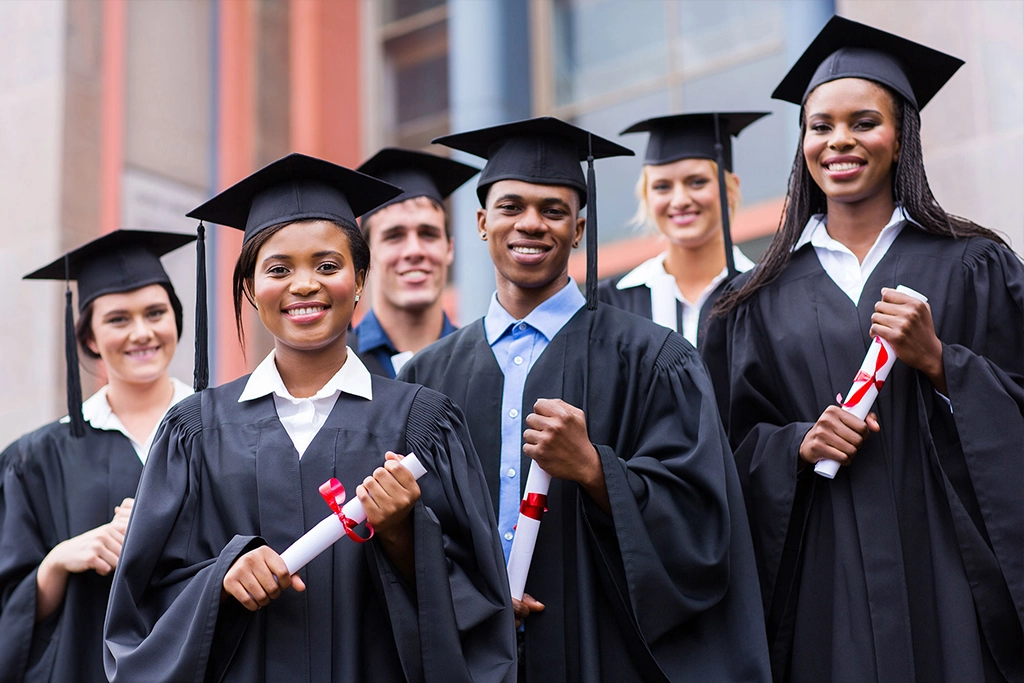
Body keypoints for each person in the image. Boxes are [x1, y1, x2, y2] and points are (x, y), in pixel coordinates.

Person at [102, 153, 516, 683]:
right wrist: (220, 579)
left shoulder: (423, 426)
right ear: (250, 289)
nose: (303, 285)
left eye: (327, 266)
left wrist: (401, 535)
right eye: (278, 269)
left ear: (360, 279)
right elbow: (138, 613)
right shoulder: (194, 432)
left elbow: (483, 611)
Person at [703, 16, 1024, 683]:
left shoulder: (976, 266)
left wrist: (942, 364)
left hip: (951, 576)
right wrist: (794, 444)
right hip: (823, 581)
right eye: (820, 126)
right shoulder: (750, 301)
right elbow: (721, 456)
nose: (839, 141)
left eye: (864, 122)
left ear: (901, 134)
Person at [401, 117, 770, 682]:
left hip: (604, 649)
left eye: (553, 211)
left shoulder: (654, 359)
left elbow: (702, 523)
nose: (531, 223)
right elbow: (420, 529)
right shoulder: (427, 377)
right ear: (480, 223)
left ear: (578, 230)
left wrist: (598, 471)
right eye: (511, 207)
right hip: (473, 657)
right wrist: (477, 600)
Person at [0, 229, 197, 683]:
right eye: (118, 320)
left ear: (176, 319)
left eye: (155, 313)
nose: (142, 333)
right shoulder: (38, 459)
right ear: (88, 337)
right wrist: (57, 561)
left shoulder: (224, 433)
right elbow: (12, 613)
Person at [598, 112, 766, 348]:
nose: (680, 200)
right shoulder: (611, 303)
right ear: (646, 196)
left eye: (697, 182)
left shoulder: (764, 292)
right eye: (662, 187)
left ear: (731, 189)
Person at [350, 148, 478, 377]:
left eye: (428, 234)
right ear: (366, 255)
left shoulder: (481, 361)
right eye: (394, 236)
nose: (414, 251)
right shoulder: (338, 365)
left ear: (449, 248)